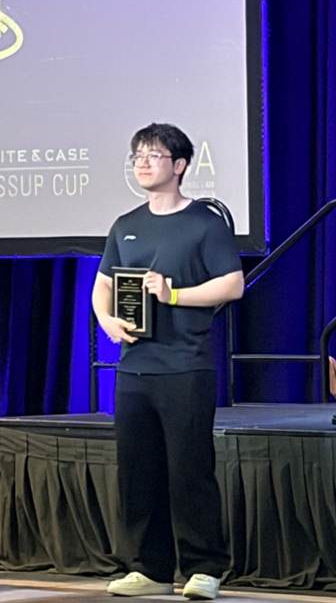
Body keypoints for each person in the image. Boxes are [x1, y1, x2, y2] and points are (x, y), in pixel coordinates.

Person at [92, 123, 245, 600]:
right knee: (136, 472)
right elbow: (103, 285)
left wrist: (174, 294)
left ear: (179, 165)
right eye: (137, 155)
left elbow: (232, 284)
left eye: (153, 155)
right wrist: (107, 321)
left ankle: (204, 567)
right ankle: (148, 567)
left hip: (185, 367)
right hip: (134, 368)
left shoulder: (204, 223)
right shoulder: (125, 224)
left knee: (188, 471)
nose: (142, 163)